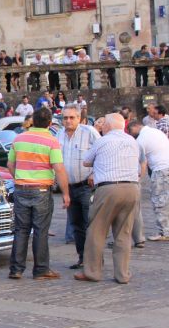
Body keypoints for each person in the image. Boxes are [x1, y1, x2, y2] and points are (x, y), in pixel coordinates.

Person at [76, 114, 143, 284]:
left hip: (109, 187)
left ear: (109, 126)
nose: (102, 126)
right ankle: (122, 274)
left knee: (97, 231)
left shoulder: (102, 140)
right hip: (132, 187)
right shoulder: (133, 141)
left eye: (104, 123)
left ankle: (92, 272)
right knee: (123, 233)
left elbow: (85, 161)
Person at [8, 107, 70, 280]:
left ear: (33, 121)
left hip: (21, 188)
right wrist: (66, 193)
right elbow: (59, 168)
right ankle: (41, 268)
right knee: (41, 230)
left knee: (21, 229)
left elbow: (10, 164)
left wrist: (20, 178)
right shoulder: (51, 141)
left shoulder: (19, 138)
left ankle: (16, 269)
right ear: (50, 123)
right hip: (42, 189)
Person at [57, 104, 101, 269]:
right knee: (76, 225)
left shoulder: (89, 132)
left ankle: (95, 260)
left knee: (91, 223)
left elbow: (102, 153)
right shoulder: (59, 135)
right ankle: (82, 258)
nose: (68, 121)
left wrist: (94, 173)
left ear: (79, 118)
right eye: (65, 118)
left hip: (86, 186)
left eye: (71, 117)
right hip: (69, 187)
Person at [128, 121, 169, 241]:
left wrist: (138, 178)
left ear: (135, 127)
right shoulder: (156, 131)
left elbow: (140, 162)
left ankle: (165, 231)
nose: (131, 135)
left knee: (159, 201)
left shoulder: (141, 139)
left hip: (161, 170)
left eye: (130, 131)